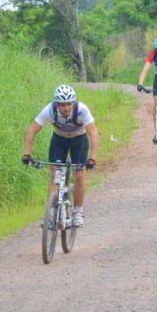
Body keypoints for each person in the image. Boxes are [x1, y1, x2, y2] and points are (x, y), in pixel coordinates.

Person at [22, 84, 100, 227]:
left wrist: (92, 158)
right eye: (62, 105)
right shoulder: (49, 111)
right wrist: (26, 154)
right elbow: (32, 130)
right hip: (59, 140)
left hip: (79, 140)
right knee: (55, 176)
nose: (66, 108)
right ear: (56, 104)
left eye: (69, 104)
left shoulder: (82, 110)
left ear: (73, 102)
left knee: (79, 175)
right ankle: (50, 214)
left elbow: (94, 134)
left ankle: (78, 212)